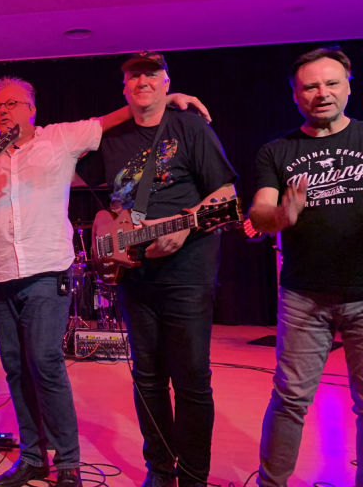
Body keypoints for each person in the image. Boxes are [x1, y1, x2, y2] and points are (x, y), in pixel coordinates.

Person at [0, 75, 212, 487]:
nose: (4, 111)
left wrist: (165, 99)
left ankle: (67, 461)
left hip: (47, 272)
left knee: (45, 362)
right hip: (1, 274)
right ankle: (32, 456)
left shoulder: (58, 138)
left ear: (32, 109)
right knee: (15, 368)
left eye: (13, 103)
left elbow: (110, 119)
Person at [76, 52, 237, 487]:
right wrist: (107, 227)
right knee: (147, 379)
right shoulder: (113, 137)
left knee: (191, 378)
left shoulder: (190, 127)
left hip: (188, 271)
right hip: (135, 273)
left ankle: (194, 476)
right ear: (124, 87)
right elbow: (80, 180)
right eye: (134, 76)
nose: (142, 81)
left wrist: (184, 228)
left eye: (152, 74)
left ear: (166, 82)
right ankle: (160, 470)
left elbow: (225, 194)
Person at [250, 47, 363, 487]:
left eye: (331, 83)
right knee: (290, 399)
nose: (322, 93)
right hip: (303, 296)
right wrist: (281, 215)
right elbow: (260, 212)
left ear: (348, 86)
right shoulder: (277, 151)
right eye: (311, 86)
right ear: (295, 95)